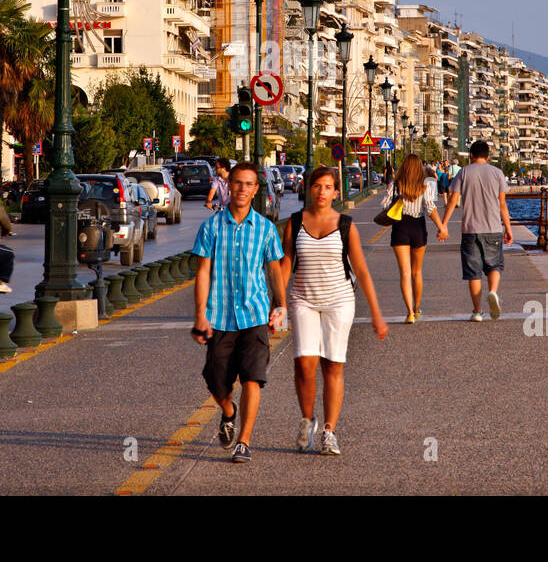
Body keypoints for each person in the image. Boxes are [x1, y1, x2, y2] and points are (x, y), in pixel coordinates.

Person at [278, 166, 387, 455]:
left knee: (333, 365)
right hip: (303, 299)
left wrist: (376, 313)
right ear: (309, 189)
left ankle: (329, 430)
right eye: (317, 186)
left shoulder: (345, 225)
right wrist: (279, 304)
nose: (322, 192)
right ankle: (307, 419)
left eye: (328, 187)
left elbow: (361, 270)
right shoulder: (295, 222)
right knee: (304, 364)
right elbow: (285, 265)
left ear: (337, 192)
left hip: (339, 301)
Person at [190, 161, 285, 464]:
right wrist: (200, 315)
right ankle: (229, 412)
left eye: (249, 184)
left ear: (256, 189)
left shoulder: (266, 229)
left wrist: (279, 305)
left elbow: (274, 270)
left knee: (252, 379)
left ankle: (244, 441)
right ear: (229, 186)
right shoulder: (212, 226)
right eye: (238, 183)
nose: (243, 189)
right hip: (219, 317)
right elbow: (203, 272)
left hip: (254, 315)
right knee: (216, 380)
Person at [439, 141, 512, 322]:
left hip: (470, 230)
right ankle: (493, 292)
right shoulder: (498, 173)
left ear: (471, 155)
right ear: (488, 156)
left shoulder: (464, 172)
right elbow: (502, 204)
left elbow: (453, 199)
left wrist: (444, 225)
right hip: (494, 228)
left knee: (474, 272)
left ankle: (478, 311)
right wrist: (508, 229)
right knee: (495, 265)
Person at [383, 154, 448, 323]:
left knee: (404, 273)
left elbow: (384, 205)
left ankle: (410, 312)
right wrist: (441, 227)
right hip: (418, 227)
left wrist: (397, 200)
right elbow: (430, 208)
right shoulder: (424, 185)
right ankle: (417, 307)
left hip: (400, 227)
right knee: (416, 272)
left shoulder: (396, 184)